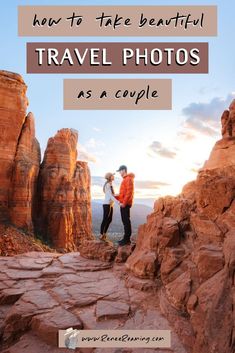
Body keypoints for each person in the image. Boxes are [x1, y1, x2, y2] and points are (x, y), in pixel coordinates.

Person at [115, 165, 135, 246]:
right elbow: (123, 194)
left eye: (120, 171)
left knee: (126, 221)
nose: (119, 173)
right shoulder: (126, 179)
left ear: (123, 170)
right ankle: (126, 239)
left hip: (125, 204)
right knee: (125, 221)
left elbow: (129, 192)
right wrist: (115, 196)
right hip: (124, 203)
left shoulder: (128, 179)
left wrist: (124, 203)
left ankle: (126, 239)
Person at [100, 172, 120, 242]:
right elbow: (110, 196)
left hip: (110, 204)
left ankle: (104, 234)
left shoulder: (110, 184)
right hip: (106, 204)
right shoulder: (108, 184)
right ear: (109, 177)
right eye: (112, 176)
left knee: (109, 219)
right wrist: (118, 202)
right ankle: (101, 234)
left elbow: (112, 195)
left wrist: (119, 195)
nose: (113, 176)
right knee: (105, 219)